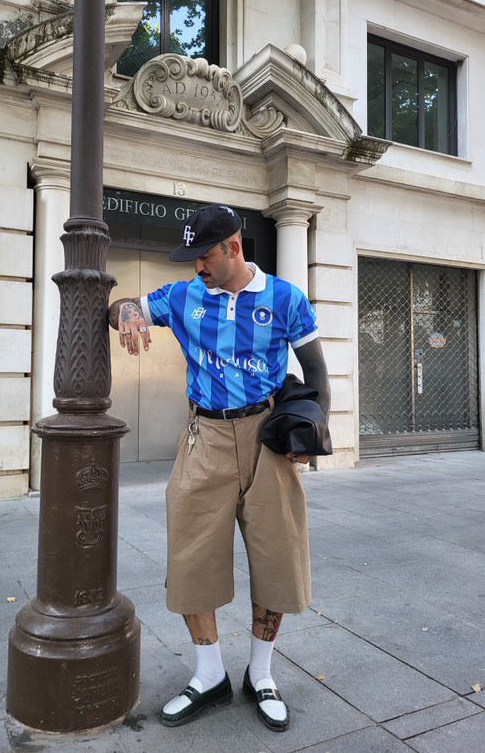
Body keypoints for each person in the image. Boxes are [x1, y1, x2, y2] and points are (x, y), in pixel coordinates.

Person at [108, 204, 330, 732]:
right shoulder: (182, 296)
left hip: (267, 439)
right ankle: (209, 675)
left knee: (277, 556)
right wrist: (127, 314)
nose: (197, 267)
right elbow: (121, 306)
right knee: (191, 556)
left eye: (203, 256)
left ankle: (261, 674)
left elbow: (317, 370)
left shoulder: (286, 299)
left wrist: (314, 436)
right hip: (203, 435)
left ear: (233, 247)